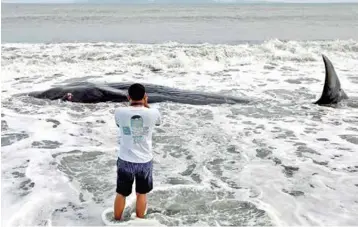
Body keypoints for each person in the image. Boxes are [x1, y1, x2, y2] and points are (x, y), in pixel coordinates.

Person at [113, 83, 161, 220]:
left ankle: (116, 221)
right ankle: (140, 221)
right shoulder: (153, 112)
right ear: (145, 97)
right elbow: (158, 122)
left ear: (129, 97)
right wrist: (146, 105)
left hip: (125, 159)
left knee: (121, 193)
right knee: (141, 193)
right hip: (144, 161)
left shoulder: (119, 112)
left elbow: (118, 124)